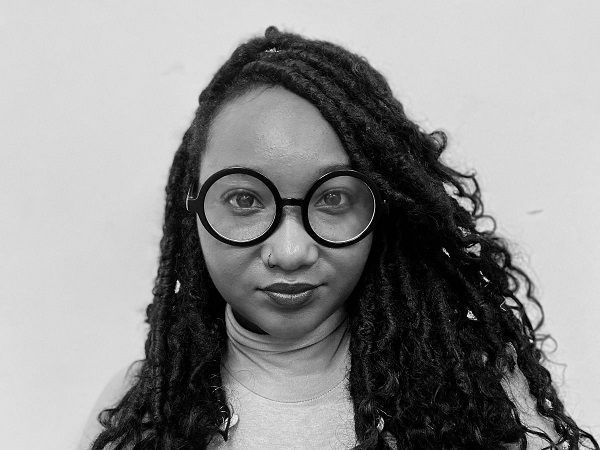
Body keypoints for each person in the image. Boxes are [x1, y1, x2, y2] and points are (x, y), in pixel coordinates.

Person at [80, 27, 599, 450]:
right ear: (193, 205)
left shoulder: (479, 395)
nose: (290, 252)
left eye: (332, 199)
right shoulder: (141, 411)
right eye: (244, 200)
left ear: (380, 207)